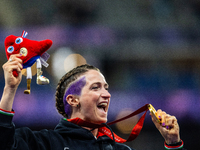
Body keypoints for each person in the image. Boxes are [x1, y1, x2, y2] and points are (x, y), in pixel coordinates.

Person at [0, 54, 186, 150]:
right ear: (73, 100)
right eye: (96, 87)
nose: (106, 94)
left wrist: (173, 143)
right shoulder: (46, 143)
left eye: (106, 87)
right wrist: (9, 89)